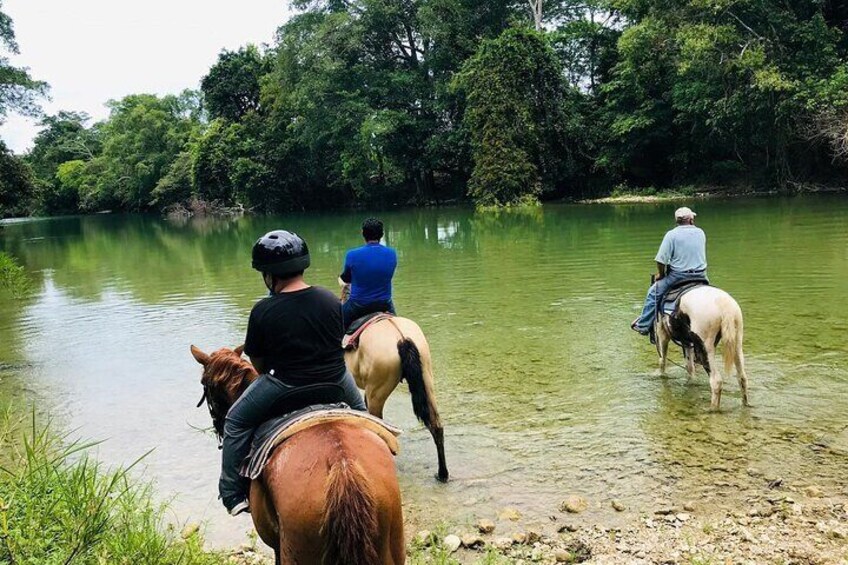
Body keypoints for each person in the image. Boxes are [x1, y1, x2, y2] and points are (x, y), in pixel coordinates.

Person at [220, 230, 367, 516]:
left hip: (285, 384)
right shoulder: (329, 300)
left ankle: (232, 493)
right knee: (362, 412)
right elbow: (337, 344)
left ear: (269, 275)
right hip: (335, 381)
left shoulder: (263, 310)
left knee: (235, 421)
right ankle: (386, 452)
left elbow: (259, 364)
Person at [631, 207, 708, 335]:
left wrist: (661, 274)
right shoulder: (700, 232)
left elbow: (661, 260)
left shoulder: (671, 235)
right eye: (693, 218)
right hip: (701, 276)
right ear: (690, 220)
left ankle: (643, 325)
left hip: (678, 276)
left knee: (653, 293)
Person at [339, 217, 398, 329]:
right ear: (382, 234)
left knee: (336, 325)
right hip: (385, 304)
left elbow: (346, 279)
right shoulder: (392, 253)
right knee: (400, 328)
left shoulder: (352, 255)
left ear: (363, 233)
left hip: (358, 305)